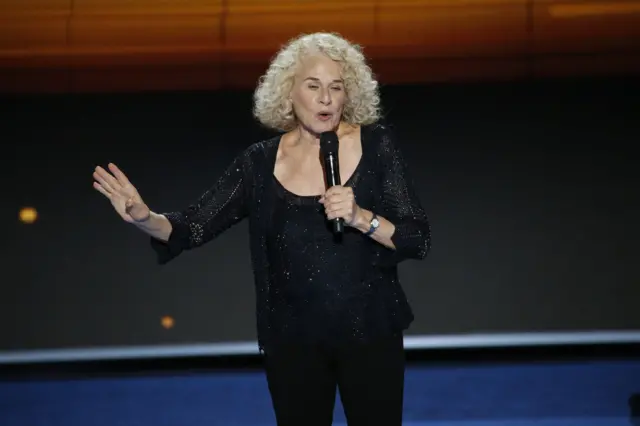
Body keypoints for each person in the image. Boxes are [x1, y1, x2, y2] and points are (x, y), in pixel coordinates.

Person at [93, 32, 431, 426]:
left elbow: (415, 237)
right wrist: (143, 217)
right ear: (288, 93)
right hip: (291, 342)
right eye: (313, 85)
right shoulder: (257, 164)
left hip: (371, 332)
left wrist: (362, 218)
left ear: (348, 94)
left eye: (336, 87)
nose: (326, 98)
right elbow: (191, 227)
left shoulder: (377, 147)